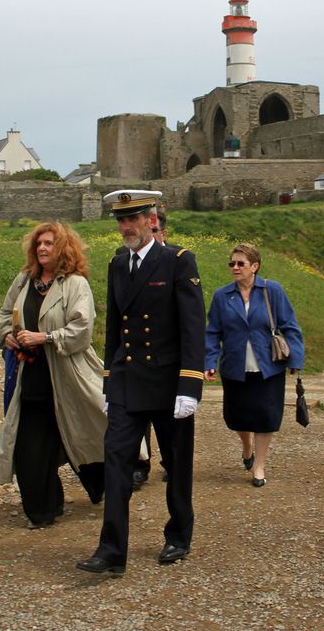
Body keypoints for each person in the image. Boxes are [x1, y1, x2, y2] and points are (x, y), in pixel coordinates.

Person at [77, 190, 206, 576]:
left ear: (151, 220)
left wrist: (190, 385)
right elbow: (115, 327)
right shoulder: (118, 265)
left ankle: (179, 534)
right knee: (116, 462)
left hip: (168, 385)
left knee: (177, 463)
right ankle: (112, 550)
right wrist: (108, 382)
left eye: (132, 219)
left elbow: (192, 328)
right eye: (120, 220)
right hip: (128, 384)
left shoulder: (178, 262)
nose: (125, 227)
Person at [0, 222, 107, 528]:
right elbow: (3, 315)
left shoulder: (76, 284)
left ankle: (108, 482)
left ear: (63, 248)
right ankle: (41, 509)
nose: (42, 248)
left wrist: (46, 338)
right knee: (28, 447)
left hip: (68, 376)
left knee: (85, 435)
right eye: (39, 243)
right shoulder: (25, 280)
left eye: (49, 243)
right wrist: (7, 336)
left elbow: (82, 330)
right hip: (31, 378)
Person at [204, 243, 304, 487]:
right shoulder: (222, 295)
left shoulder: (272, 291)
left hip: (268, 367)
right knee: (236, 416)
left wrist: (296, 359)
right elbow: (212, 332)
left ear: (255, 266)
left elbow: (289, 325)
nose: (235, 268)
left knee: (265, 416)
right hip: (235, 367)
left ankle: (259, 465)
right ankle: (246, 445)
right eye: (232, 263)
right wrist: (209, 361)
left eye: (241, 263)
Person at [131, 209, 180, 489]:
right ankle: (139, 464)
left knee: (167, 417)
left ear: (162, 232)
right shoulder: (123, 259)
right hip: (137, 353)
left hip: (165, 354)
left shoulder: (176, 260)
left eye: (158, 230)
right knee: (138, 417)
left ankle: (172, 463)